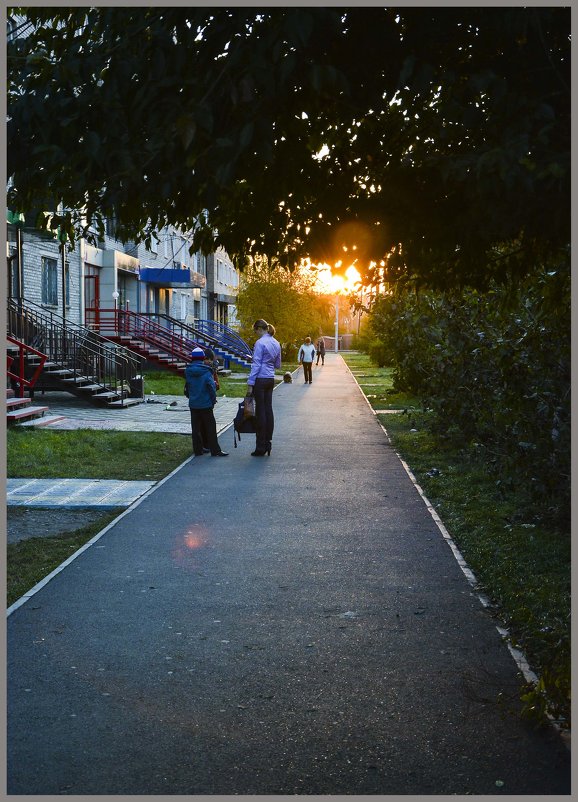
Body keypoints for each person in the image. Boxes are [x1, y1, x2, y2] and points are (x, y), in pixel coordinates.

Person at [184, 346, 228, 457]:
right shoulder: (206, 371)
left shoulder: (188, 370)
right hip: (206, 403)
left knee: (196, 428)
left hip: (193, 403)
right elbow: (211, 387)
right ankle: (215, 450)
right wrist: (213, 401)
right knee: (210, 427)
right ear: (202, 357)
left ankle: (198, 450)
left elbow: (187, 387)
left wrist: (191, 397)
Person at [246, 319, 281, 456]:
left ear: (259, 329)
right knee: (268, 410)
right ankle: (268, 442)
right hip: (270, 379)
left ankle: (260, 447)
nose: (256, 334)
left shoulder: (260, 343)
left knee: (260, 412)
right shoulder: (276, 343)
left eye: (255, 331)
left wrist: (250, 384)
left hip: (260, 380)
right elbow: (278, 364)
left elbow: (256, 366)